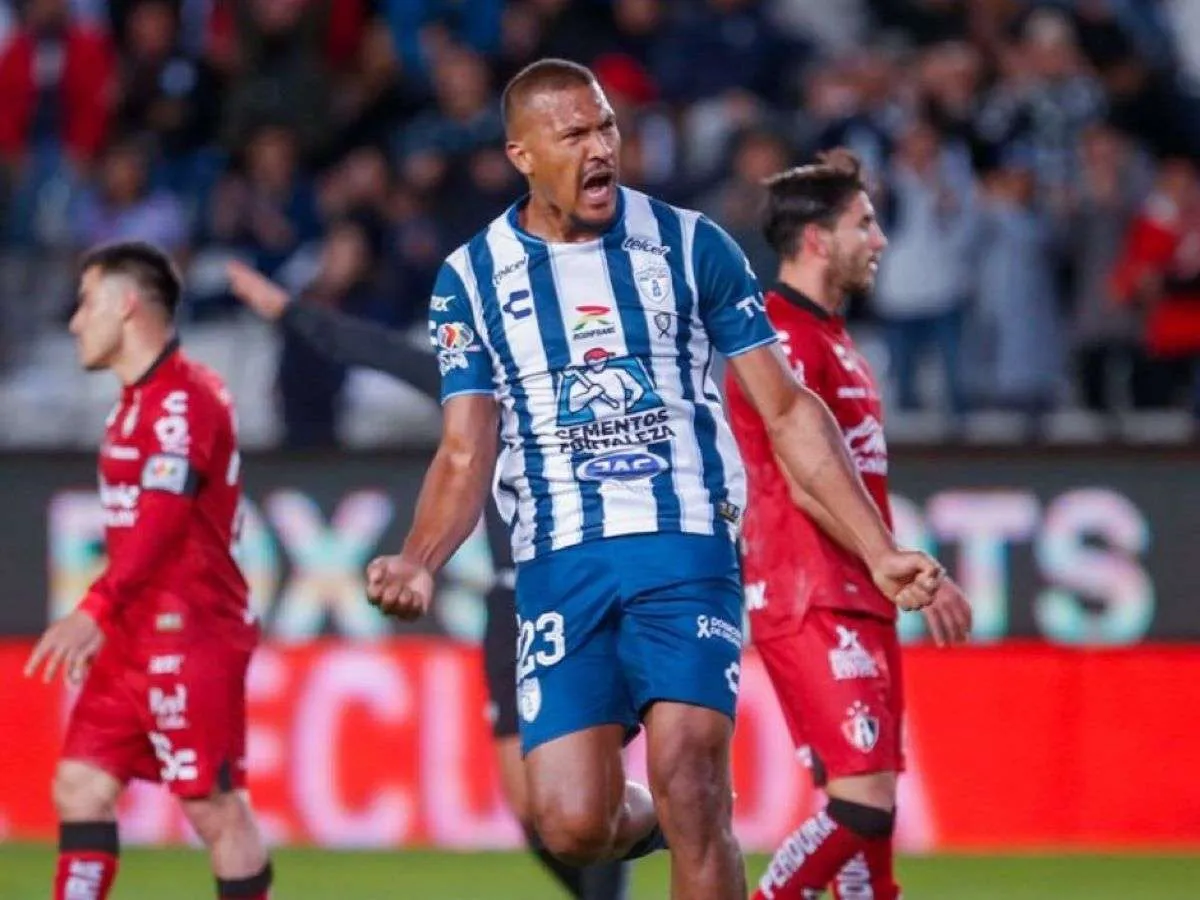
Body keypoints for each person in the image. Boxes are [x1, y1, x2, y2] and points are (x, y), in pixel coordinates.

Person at [273, 57, 936, 900]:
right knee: (573, 822)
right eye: (574, 133)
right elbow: (465, 452)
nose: (600, 148)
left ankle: (694, 812)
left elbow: (789, 411)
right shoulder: (470, 280)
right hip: (561, 566)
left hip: (684, 546)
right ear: (522, 154)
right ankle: (687, 819)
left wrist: (877, 549)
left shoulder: (693, 245)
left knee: (690, 771)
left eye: (607, 127)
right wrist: (419, 559)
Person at [225, 261, 631, 899]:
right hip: (508, 601)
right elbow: (381, 352)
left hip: (580, 591)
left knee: (581, 786)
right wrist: (288, 312)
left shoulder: (601, 387)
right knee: (530, 807)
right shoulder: (479, 390)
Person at [724, 150, 973, 900]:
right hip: (809, 591)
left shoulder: (832, 338)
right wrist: (895, 557)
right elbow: (806, 480)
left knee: (873, 850)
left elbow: (851, 481)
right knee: (862, 805)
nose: (881, 240)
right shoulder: (780, 335)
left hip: (857, 592)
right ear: (818, 241)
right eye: (865, 222)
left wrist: (901, 568)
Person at [24, 242, 272, 900]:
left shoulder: (185, 400)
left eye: (86, 303)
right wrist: (113, 619)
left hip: (191, 634)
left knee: (213, 809)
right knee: (80, 785)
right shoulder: (133, 404)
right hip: (132, 638)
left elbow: (163, 521)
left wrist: (94, 609)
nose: (76, 321)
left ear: (125, 305)